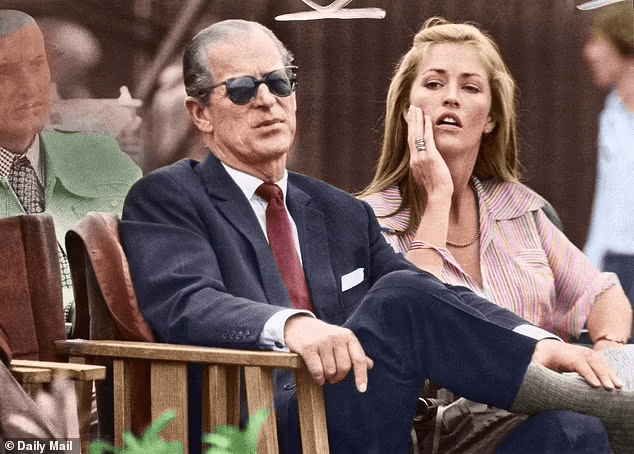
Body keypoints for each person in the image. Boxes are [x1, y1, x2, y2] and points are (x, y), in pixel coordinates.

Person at [120, 19, 634, 454]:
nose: (267, 101)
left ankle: (592, 408)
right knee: (400, 297)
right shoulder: (167, 196)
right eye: (240, 89)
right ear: (201, 113)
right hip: (260, 419)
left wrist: (536, 343)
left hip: (379, 418)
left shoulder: (338, 211)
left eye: (279, 83)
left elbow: (433, 294)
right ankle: (617, 408)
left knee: (572, 433)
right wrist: (293, 326)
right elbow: (187, 301)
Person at [359, 16, 634, 452]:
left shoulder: (519, 209)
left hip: (542, 419)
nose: (451, 96)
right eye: (433, 84)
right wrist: (437, 197)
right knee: (573, 429)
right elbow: (412, 309)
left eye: (470, 87)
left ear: (489, 119)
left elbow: (602, 294)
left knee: (578, 424)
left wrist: (607, 353)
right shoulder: (367, 220)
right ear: (407, 109)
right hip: (435, 431)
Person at [0, 10, 142, 336]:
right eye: (4, 72)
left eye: (37, 65)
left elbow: (161, 267)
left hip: (111, 356)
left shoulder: (103, 158)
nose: (29, 87)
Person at [582, 1, 634, 341]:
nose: (589, 52)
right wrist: (590, 265)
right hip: (616, 263)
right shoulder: (612, 110)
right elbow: (609, 197)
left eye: (597, 40)